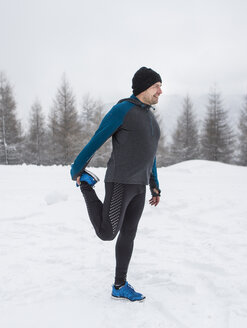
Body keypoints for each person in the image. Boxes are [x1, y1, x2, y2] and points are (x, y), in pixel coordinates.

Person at [70, 67, 162, 302]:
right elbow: (97, 138)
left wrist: (155, 184)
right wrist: (77, 168)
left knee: (128, 234)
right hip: (120, 181)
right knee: (107, 233)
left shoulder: (151, 118)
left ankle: (119, 285)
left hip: (139, 186)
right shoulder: (122, 110)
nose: (160, 91)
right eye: (156, 86)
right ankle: (86, 186)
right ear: (144, 87)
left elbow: (150, 155)